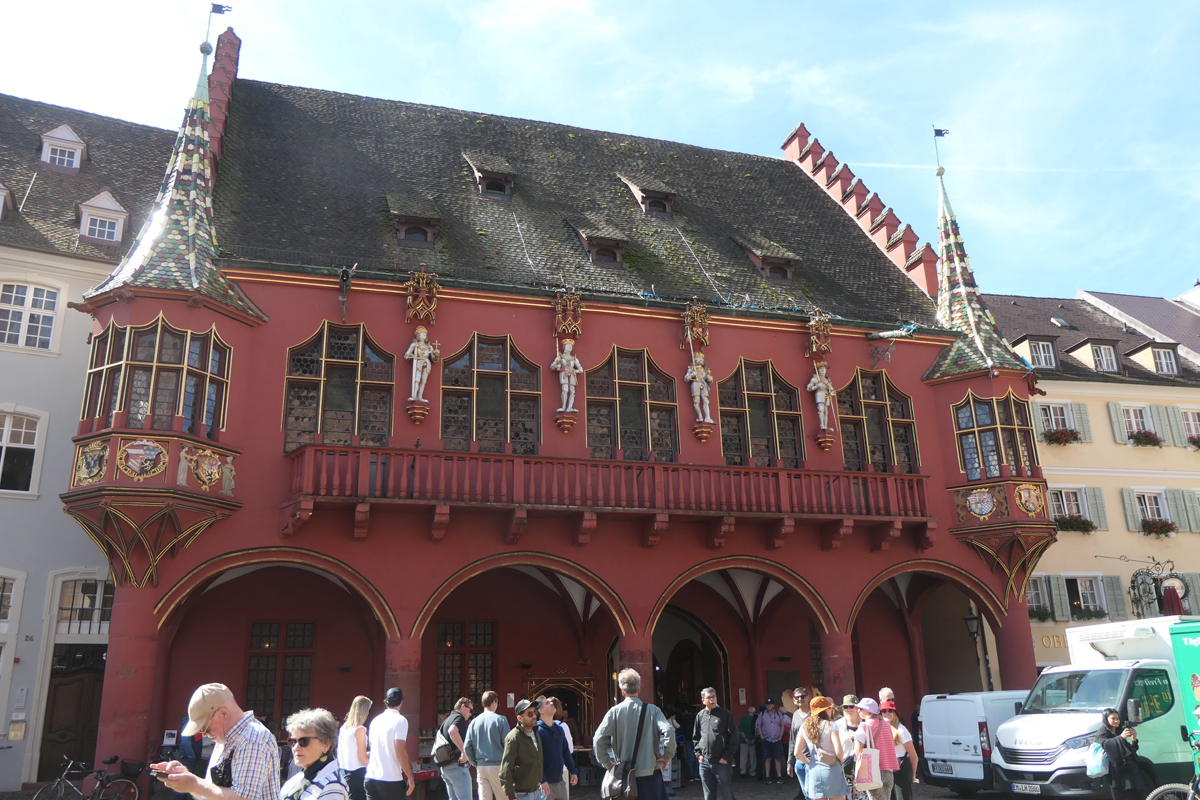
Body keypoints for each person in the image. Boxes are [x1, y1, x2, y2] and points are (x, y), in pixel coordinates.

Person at [153, 683, 280, 800]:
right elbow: (211, 792)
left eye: (205, 728)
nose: (204, 734)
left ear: (224, 713)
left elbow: (243, 798)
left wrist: (195, 784)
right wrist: (187, 780)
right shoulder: (225, 739)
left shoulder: (252, 739)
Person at [593, 668, 677, 800]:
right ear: (639, 688)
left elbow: (598, 739)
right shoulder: (653, 710)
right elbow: (669, 731)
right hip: (650, 774)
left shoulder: (614, 712)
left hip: (624, 775)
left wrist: (608, 764)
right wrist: (667, 756)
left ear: (622, 691)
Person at [280, 708, 348, 800]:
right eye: (293, 741)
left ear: (326, 744)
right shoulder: (305, 775)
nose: (295, 748)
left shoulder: (332, 786)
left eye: (303, 741)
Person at [365, 688, 416, 800]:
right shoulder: (401, 720)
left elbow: (372, 747)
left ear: (386, 702)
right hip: (391, 779)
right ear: (401, 701)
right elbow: (400, 750)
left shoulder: (375, 720)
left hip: (371, 776)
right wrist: (410, 777)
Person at [464, 691, 511, 800]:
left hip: (481, 766)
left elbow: (467, 746)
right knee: (504, 797)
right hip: (498, 765)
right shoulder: (501, 720)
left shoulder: (474, 722)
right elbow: (508, 745)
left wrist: (475, 763)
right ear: (494, 702)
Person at [797, 697, 846, 800]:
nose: (831, 710)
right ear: (824, 710)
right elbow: (838, 750)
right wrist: (841, 760)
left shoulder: (804, 726)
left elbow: (797, 752)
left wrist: (809, 763)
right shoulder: (831, 725)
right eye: (829, 708)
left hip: (814, 770)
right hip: (832, 768)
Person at [693, 687, 738, 800]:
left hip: (721, 762)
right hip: (705, 763)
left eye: (713, 697)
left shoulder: (725, 714)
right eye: (709, 697)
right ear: (703, 700)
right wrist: (699, 755)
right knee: (708, 796)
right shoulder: (700, 716)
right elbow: (696, 737)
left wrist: (726, 757)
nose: (712, 699)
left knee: (727, 795)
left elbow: (734, 737)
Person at [1096, 708, 1150, 800]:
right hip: (1116, 771)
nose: (1116, 721)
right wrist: (1121, 738)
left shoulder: (1117, 731)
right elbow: (1106, 745)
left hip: (1128, 769)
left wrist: (1134, 739)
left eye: (1118, 718)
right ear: (1106, 719)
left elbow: (1129, 751)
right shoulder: (1102, 732)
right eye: (1113, 718)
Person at [853, 699, 899, 800]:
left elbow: (858, 751)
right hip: (889, 770)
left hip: (873, 770)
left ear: (868, 710)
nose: (858, 710)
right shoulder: (886, 724)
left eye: (860, 708)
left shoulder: (864, 726)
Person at [500, 699, 546, 800]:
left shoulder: (536, 732)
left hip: (537, 790)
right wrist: (511, 795)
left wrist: (543, 780)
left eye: (535, 712)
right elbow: (505, 769)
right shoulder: (513, 738)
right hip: (522, 794)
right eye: (530, 714)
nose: (534, 716)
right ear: (520, 718)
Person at [536, 696, 577, 800]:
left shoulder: (559, 729)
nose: (551, 703)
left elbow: (566, 752)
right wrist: (542, 780)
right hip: (545, 785)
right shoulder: (537, 731)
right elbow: (535, 759)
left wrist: (573, 771)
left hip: (560, 782)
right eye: (547, 703)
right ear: (540, 710)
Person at [879, 702, 918, 800]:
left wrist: (913, 775)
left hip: (901, 768)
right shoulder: (880, 729)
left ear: (895, 713)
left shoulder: (901, 730)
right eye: (884, 711)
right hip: (886, 770)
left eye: (890, 711)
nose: (887, 713)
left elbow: (914, 756)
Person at [440, 697, 475, 800]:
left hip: (446, 767)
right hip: (457, 767)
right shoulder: (459, 718)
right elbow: (452, 731)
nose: (470, 714)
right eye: (470, 710)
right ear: (463, 706)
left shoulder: (448, 719)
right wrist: (464, 752)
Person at [339, 696, 372, 800]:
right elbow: (363, 759)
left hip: (343, 772)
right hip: (357, 774)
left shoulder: (344, 727)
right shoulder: (360, 729)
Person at [757, 698, 787, 784]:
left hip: (776, 739)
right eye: (767, 704)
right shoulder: (762, 714)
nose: (769, 706)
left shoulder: (778, 714)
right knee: (767, 758)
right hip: (766, 739)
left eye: (770, 704)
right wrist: (762, 737)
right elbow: (759, 725)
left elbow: (782, 725)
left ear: (773, 705)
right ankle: (767, 776)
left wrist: (780, 737)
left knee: (777, 758)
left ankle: (779, 776)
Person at [787, 687, 810, 797]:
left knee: (811, 792)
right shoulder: (795, 714)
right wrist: (790, 762)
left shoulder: (815, 714)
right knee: (805, 793)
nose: (800, 699)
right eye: (797, 697)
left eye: (803, 696)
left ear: (808, 697)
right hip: (799, 760)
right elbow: (793, 739)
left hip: (812, 759)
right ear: (793, 700)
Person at [833, 696, 860, 789]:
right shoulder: (837, 725)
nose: (848, 709)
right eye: (845, 707)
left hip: (864, 767)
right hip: (845, 768)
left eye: (851, 706)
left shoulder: (865, 723)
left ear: (857, 707)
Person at [737, 705, 758, 778]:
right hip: (753, 740)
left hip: (743, 740)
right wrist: (753, 739)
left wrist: (745, 738)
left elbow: (741, 729)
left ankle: (743, 771)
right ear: (754, 712)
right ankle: (752, 771)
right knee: (753, 757)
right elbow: (756, 730)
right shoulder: (756, 719)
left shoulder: (743, 719)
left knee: (743, 756)